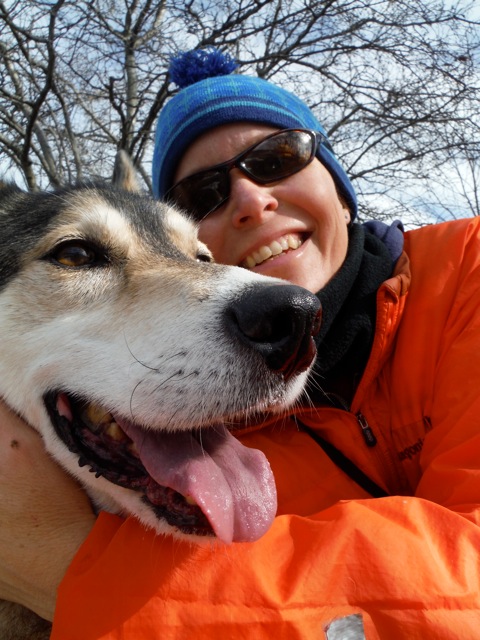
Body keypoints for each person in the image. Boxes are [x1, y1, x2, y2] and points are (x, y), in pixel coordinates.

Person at [1, 47, 480, 638]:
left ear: (334, 178)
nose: (253, 201)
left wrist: (68, 565)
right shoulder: (200, 420)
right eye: (204, 196)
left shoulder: (469, 270)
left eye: (279, 158)